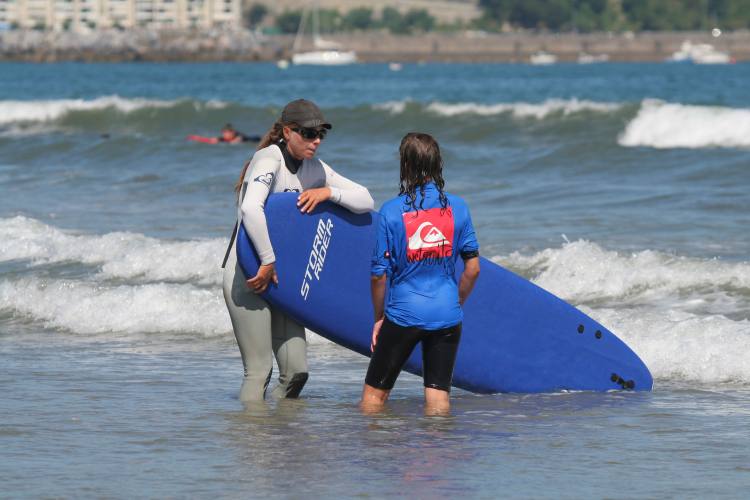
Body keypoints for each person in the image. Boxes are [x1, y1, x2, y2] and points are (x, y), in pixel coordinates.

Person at [222, 99, 374, 402]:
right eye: (307, 133)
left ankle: (279, 436)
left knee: (296, 373)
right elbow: (251, 209)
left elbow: (366, 199)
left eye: (320, 134)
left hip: (282, 278)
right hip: (248, 273)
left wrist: (330, 192)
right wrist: (266, 261)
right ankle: (255, 443)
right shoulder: (268, 159)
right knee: (259, 371)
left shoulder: (314, 169)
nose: (315, 141)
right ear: (287, 131)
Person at [360, 132, 480, 414]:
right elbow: (473, 269)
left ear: (405, 166)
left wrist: (378, 318)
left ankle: (371, 454)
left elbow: (379, 275)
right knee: (438, 399)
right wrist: (455, 302)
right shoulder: (459, 208)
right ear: (439, 164)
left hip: (404, 314)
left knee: (374, 398)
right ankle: (437, 454)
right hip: (447, 314)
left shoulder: (391, 212)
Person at [188, 124, 261, 144]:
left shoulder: (239, 136)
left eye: (226, 133)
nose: (224, 135)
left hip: (255, 139)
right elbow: (210, 140)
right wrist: (197, 138)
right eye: (223, 133)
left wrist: (234, 141)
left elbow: (236, 141)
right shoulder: (223, 138)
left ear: (232, 133)